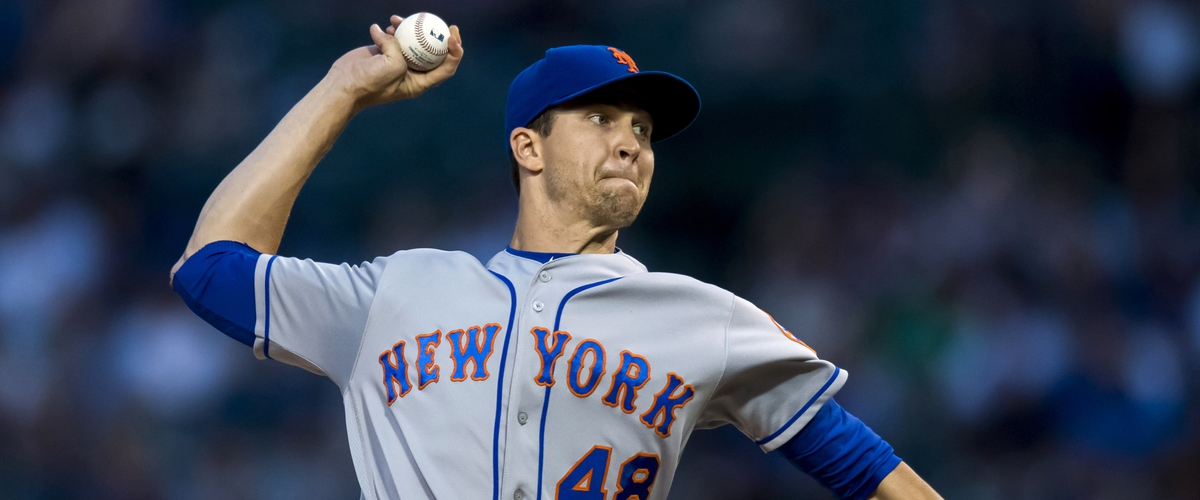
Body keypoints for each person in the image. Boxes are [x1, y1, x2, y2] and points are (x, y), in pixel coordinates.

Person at [171, 15, 942, 500]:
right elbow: (210, 268)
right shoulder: (397, 292)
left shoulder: (704, 317)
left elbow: (862, 467)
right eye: (602, 116)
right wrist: (340, 91)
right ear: (527, 147)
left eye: (642, 129)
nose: (631, 141)